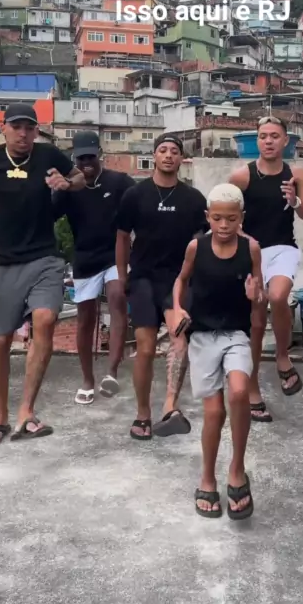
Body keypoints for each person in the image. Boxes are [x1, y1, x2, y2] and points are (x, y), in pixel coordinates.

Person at [0, 103, 86, 448]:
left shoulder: (48, 154)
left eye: (29, 128)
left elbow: (80, 178)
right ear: (3, 128)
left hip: (45, 257)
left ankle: (26, 412)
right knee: (0, 340)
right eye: (16, 127)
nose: (22, 133)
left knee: (45, 319)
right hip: (4, 262)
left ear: (36, 131)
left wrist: (67, 183)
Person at [171, 183, 264, 520]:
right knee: (213, 413)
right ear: (208, 217)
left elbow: (260, 295)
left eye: (231, 219)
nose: (224, 225)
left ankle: (237, 470)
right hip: (202, 336)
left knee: (239, 391)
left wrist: (256, 296)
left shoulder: (251, 248)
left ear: (242, 218)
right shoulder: (196, 247)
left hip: (236, 334)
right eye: (218, 218)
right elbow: (181, 280)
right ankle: (207, 477)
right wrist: (178, 308)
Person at [116, 133, 208, 440]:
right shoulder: (135, 195)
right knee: (145, 348)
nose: (169, 155)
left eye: (174, 151)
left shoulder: (194, 199)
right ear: (154, 156)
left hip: (177, 281)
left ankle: (170, 407)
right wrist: (122, 276)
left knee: (179, 339)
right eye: (163, 150)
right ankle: (143, 414)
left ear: (181, 158)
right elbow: (122, 237)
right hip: (143, 278)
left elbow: (203, 242)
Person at [229, 116, 303, 422]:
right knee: (255, 322)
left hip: (283, 248)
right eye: (263, 136)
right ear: (257, 140)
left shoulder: (296, 174)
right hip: (252, 250)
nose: (268, 141)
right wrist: (243, 240)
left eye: (274, 136)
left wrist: (295, 201)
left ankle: (282, 356)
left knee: (278, 297)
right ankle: (253, 391)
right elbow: (225, 215)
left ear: (285, 141)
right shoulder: (242, 176)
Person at [52, 131, 135, 405]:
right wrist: (56, 188)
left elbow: (141, 205)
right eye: (81, 158)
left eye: (90, 156)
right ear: (74, 159)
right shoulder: (68, 190)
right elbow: (47, 214)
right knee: (85, 318)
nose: (86, 162)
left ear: (99, 154)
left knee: (117, 297)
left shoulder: (119, 182)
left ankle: (111, 373)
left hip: (115, 254)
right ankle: (87, 380)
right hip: (85, 258)